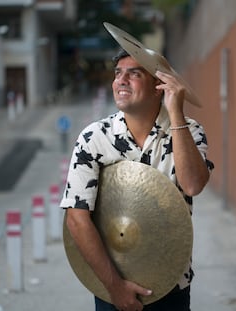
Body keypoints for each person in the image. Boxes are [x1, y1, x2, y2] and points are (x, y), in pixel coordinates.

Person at [60, 47, 214, 311]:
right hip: (112, 287)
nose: (121, 80)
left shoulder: (190, 131)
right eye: (118, 73)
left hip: (172, 286)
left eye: (134, 74)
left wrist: (175, 112)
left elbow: (192, 185)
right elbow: (77, 217)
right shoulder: (94, 138)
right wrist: (115, 287)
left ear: (159, 86)